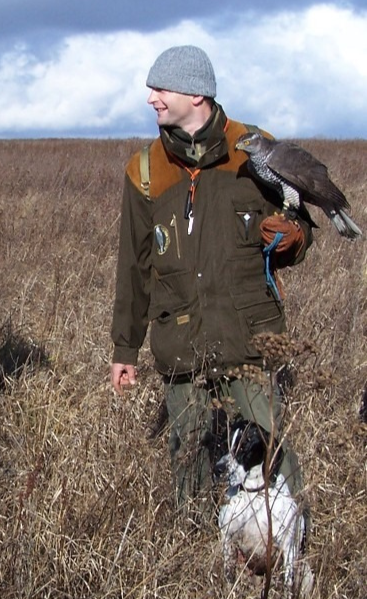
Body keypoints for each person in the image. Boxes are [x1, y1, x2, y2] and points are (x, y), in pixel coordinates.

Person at [109, 47, 311, 514]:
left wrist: (291, 240)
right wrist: (125, 348)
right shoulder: (144, 170)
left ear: (196, 94)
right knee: (189, 462)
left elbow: (300, 229)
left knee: (271, 452)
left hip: (248, 337)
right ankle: (196, 554)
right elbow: (133, 266)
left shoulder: (258, 149)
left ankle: (289, 544)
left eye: (160, 89)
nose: (151, 99)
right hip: (179, 341)